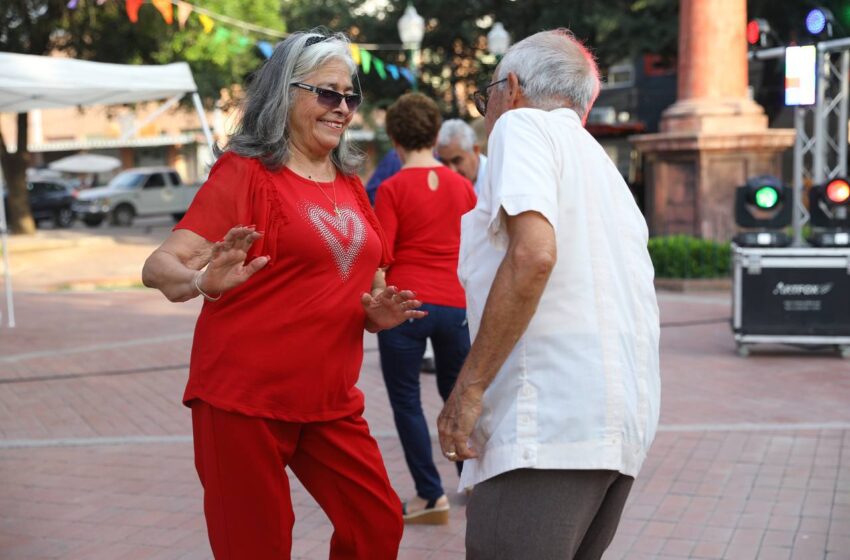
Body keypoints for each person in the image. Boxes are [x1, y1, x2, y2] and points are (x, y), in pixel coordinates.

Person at [141, 30, 426, 560]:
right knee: (257, 544)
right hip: (243, 400)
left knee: (376, 525)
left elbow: (366, 282)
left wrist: (376, 312)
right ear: (284, 94)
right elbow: (159, 266)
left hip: (329, 401)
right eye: (326, 93)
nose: (342, 108)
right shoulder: (244, 174)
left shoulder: (347, 180)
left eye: (350, 96)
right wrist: (203, 282)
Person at [437, 29, 660, 560]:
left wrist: (468, 390)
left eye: (483, 97)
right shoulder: (602, 167)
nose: (485, 113)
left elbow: (534, 254)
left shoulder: (522, 126)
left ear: (510, 88)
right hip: (617, 428)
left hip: (548, 427)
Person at [374, 93, 477, 525]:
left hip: (406, 306)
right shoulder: (463, 186)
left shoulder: (391, 188)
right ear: (436, 136)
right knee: (457, 396)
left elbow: (381, 257)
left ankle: (429, 496)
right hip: (455, 305)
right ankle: (470, 481)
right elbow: (476, 252)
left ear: (394, 139)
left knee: (406, 402)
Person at [436, 119, 487, 194]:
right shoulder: (439, 184)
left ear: (475, 150)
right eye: (444, 163)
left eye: (456, 161)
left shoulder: (498, 177)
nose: (452, 170)